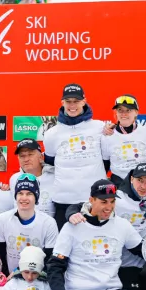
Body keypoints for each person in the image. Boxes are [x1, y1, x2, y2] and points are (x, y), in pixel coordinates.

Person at [42, 83, 107, 228]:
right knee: (63, 247)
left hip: (94, 200)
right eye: (68, 101)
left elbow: (108, 158)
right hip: (64, 201)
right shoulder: (51, 134)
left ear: (84, 101)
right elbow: (50, 162)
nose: (72, 105)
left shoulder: (99, 127)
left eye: (76, 101)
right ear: (62, 103)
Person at [0, 175, 58, 277]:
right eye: (20, 193)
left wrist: (22, 272)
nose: (24, 198)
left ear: (36, 197)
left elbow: (49, 259)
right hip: (10, 279)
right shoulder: (2, 219)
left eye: (29, 194)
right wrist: (6, 278)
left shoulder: (48, 223)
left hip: (37, 277)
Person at [102, 94, 146, 187]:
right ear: (115, 113)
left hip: (143, 184)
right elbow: (105, 165)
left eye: (128, 110)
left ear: (136, 112)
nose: (123, 114)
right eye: (120, 110)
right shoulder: (107, 135)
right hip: (118, 184)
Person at [10, 138, 56, 217]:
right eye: (22, 156)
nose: (26, 159)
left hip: (48, 227)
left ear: (41, 157)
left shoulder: (54, 178)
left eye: (30, 154)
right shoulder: (14, 179)